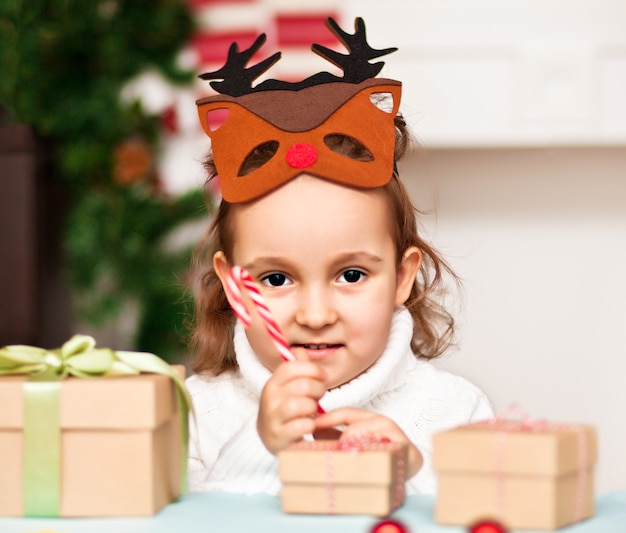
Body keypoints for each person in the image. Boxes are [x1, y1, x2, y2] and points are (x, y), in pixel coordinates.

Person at [185, 17, 492, 495]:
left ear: (402, 276)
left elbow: (489, 518)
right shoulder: (199, 415)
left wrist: (415, 478)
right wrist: (259, 449)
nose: (314, 314)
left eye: (350, 275)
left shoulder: (454, 412)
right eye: (276, 279)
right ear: (232, 285)